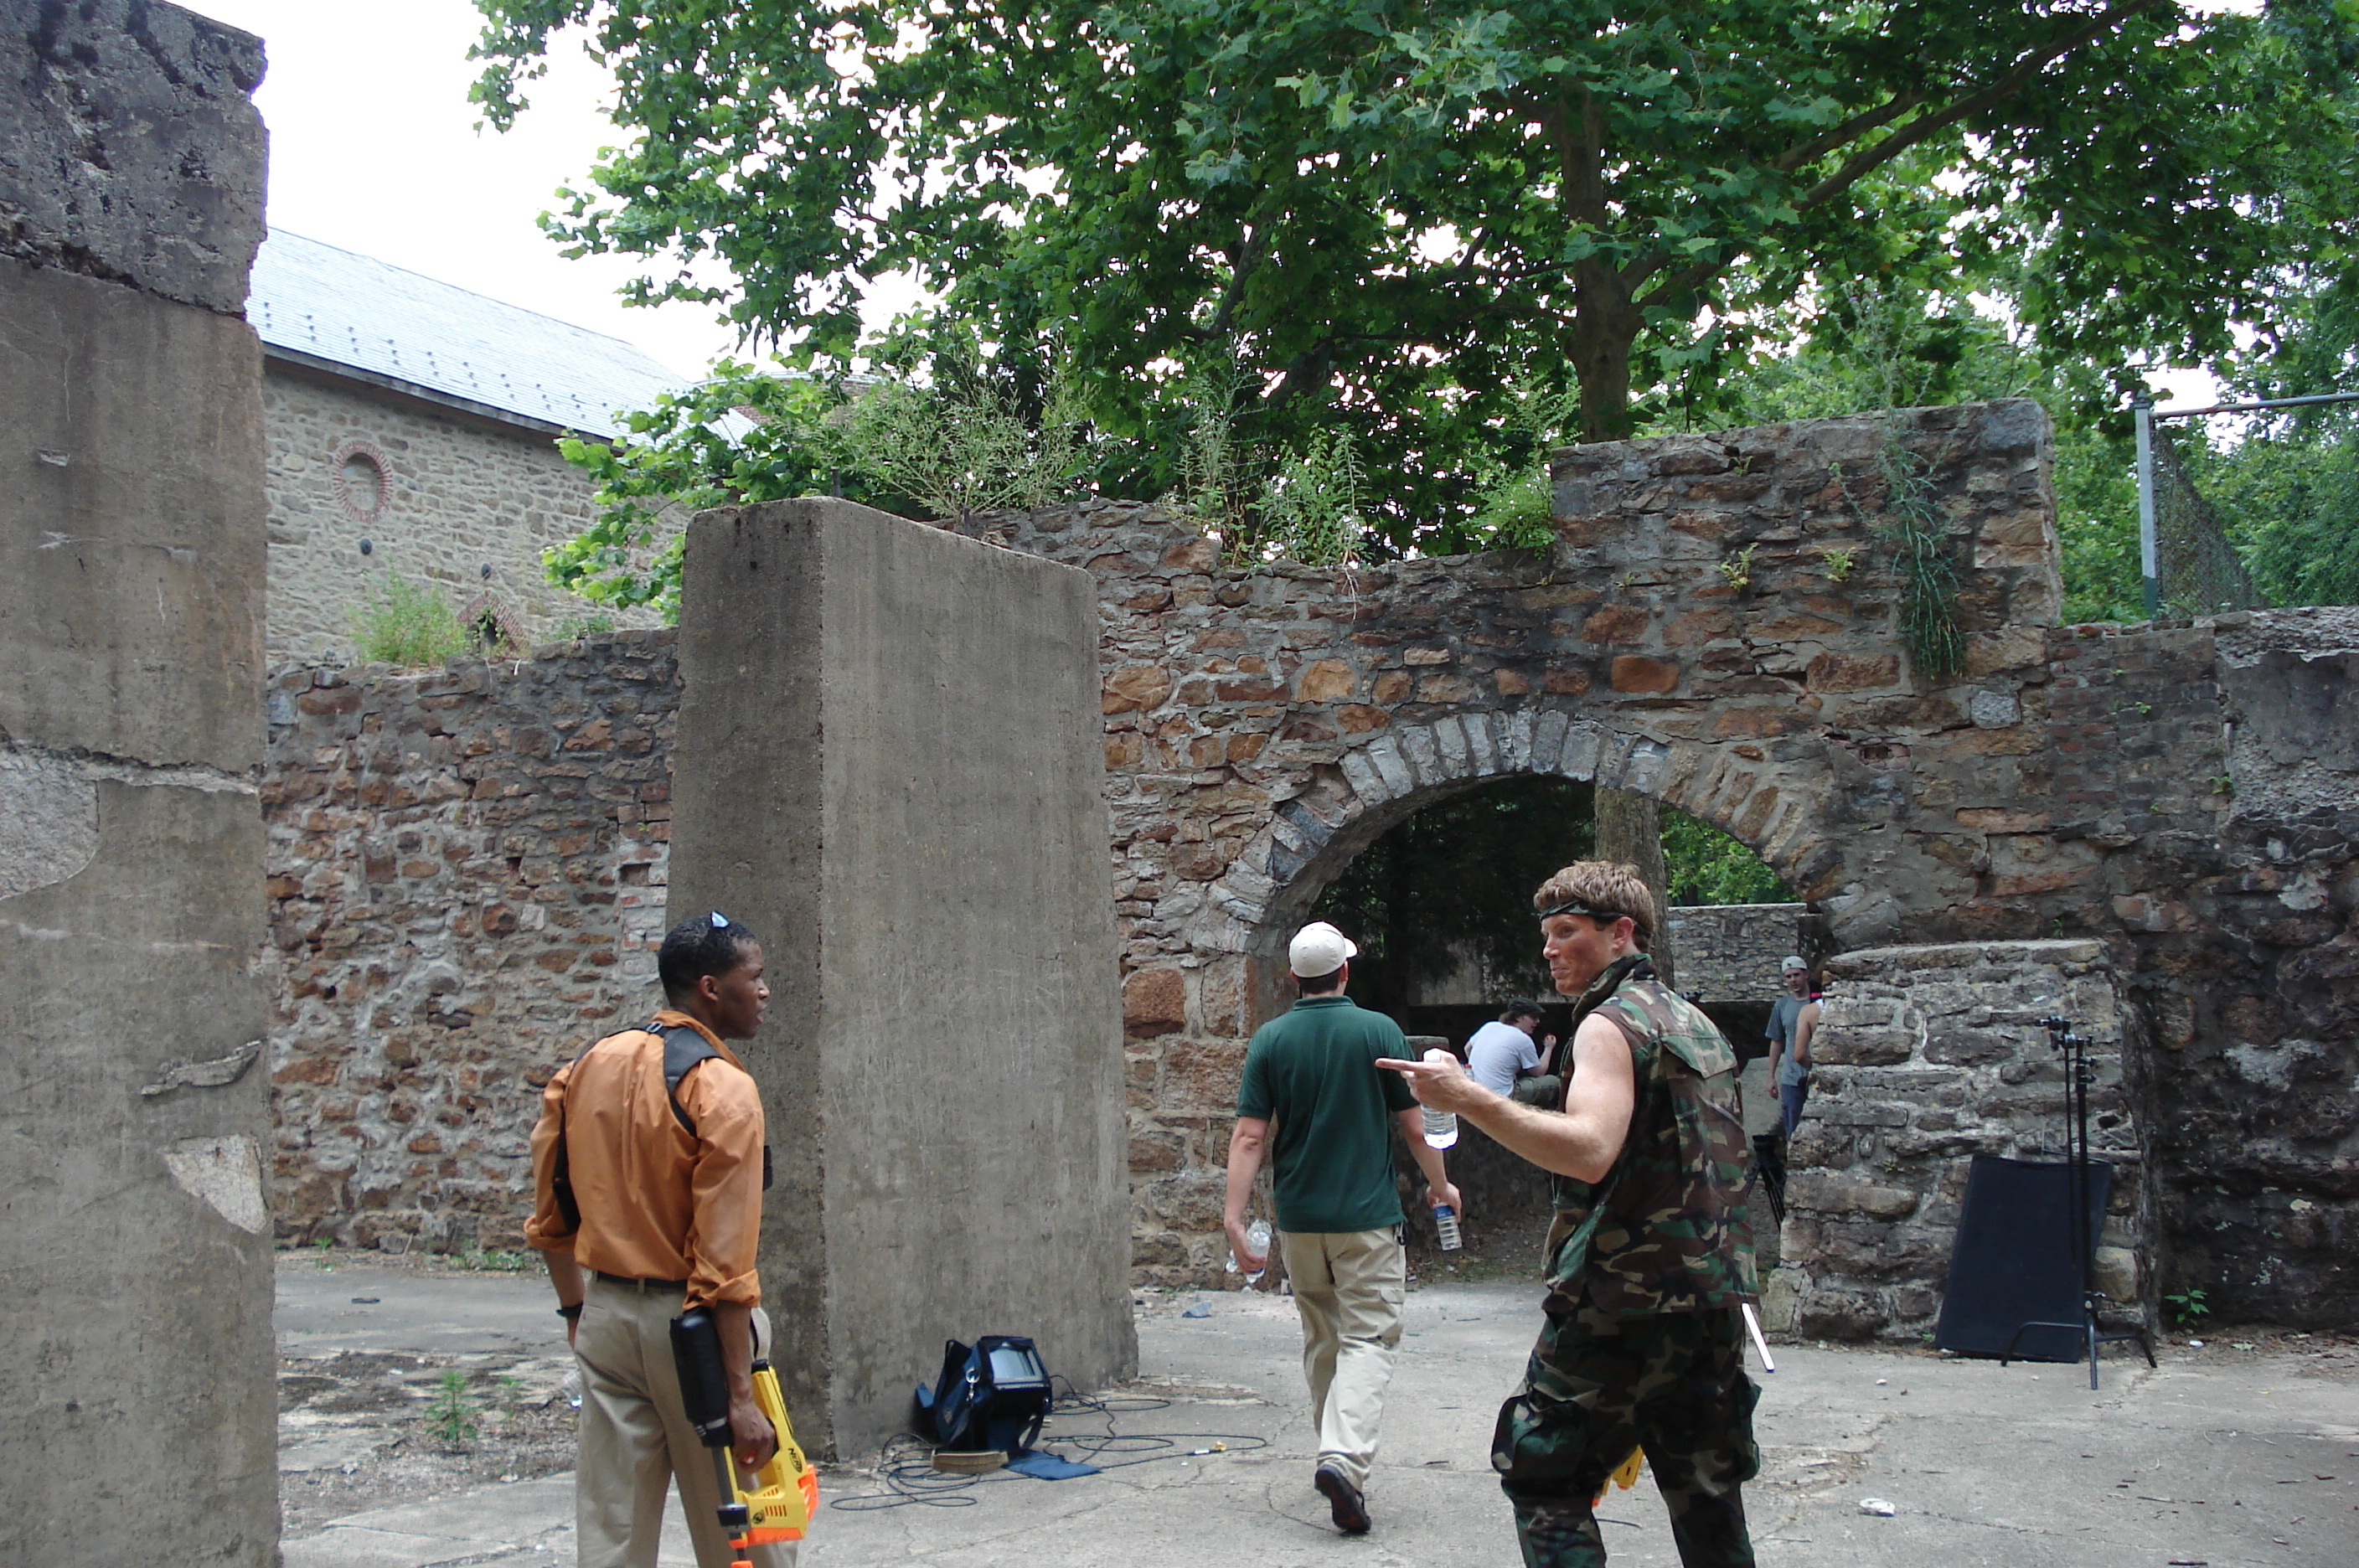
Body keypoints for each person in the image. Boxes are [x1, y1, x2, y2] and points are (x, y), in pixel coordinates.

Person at [1379, 862, 1758, 1568]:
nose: (1549, 950)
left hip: (1621, 1298)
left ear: (1621, 935)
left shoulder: (1608, 1027)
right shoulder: (1693, 1022)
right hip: (1710, 1295)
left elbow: (1588, 1151)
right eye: (1546, 935)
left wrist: (1466, 1098)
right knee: (1706, 1488)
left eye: (1567, 932)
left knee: (1544, 1473)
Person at [526, 911, 795, 1568]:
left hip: (608, 1317)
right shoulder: (723, 1090)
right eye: (754, 978)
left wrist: (575, 1313)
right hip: (698, 1335)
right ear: (710, 988)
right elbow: (726, 1265)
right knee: (748, 1530)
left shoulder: (587, 1066)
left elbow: (551, 1215)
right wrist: (739, 1396)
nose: (764, 992)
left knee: (612, 1531)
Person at [1223, 920, 1463, 1538]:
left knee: (1323, 1337)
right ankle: (1344, 1460)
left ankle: (1335, 1452)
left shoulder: (1270, 1040)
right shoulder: (1377, 1030)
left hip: (1301, 1223)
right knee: (1369, 1338)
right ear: (1346, 972)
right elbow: (1415, 1125)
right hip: (1366, 1219)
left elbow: (1251, 1134)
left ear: (1293, 978)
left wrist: (1233, 1215)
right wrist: (1440, 1185)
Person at [1764, 957, 1814, 1137]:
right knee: (1793, 1129)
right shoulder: (1782, 1006)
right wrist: (1771, 1077)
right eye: (1788, 976)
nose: (1793, 980)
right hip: (1791, 1078)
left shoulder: (1819, 1003)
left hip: (1815, 1074)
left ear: (1806, 975)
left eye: (1797, 975)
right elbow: (1777, 1040)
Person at [1468, 1000, 1554, 1097]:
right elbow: (1539, 1073)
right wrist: (1549, 1047)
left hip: (1476, 1092)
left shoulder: (1490, 1026)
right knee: (1552, 1082)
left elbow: (1467, 1048)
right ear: (1518, 1017)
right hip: (1502, 1096)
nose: (1537, 1021)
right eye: (1533, 1017)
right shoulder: (1522, 1039)